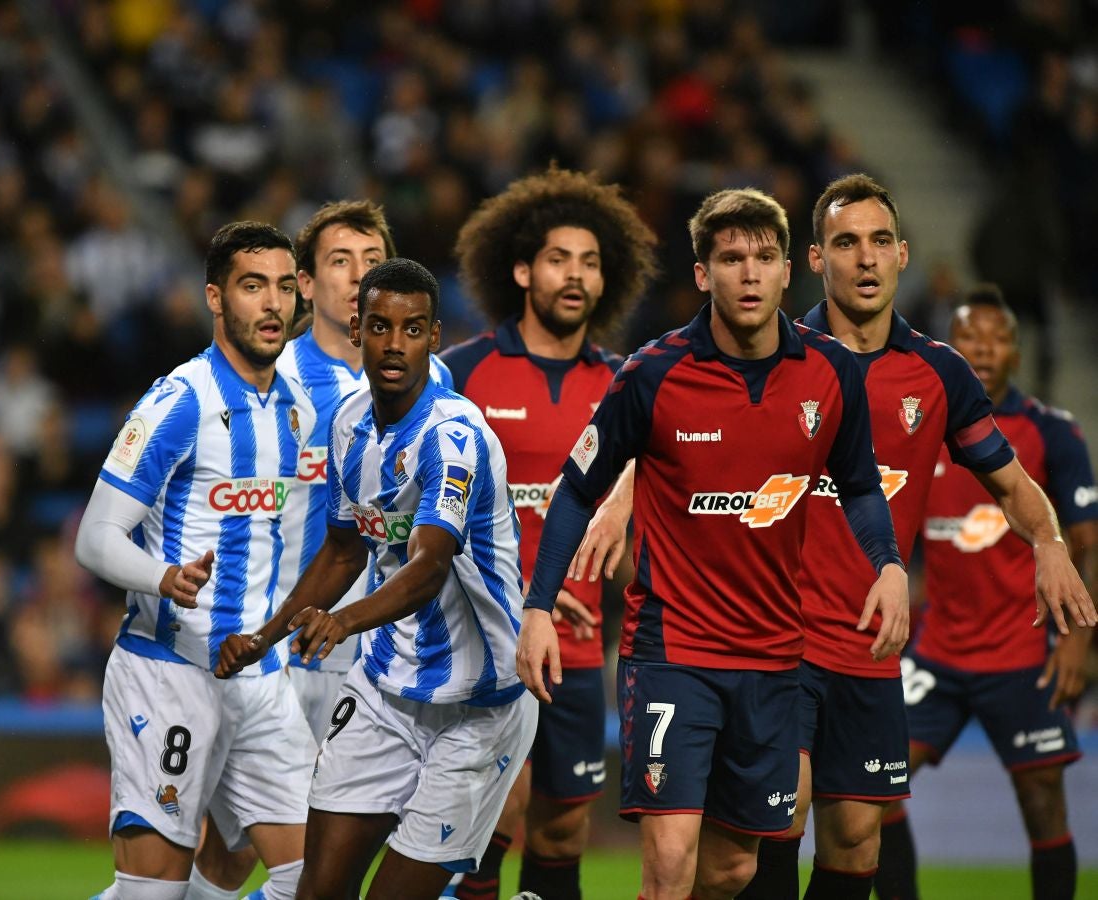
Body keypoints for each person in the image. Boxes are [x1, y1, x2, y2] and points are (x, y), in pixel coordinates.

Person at [518, 187, 909, 900]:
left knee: (730, 869)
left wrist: (887, 566)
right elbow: (577, 488)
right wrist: (540, 605)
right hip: (672, 654)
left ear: (789, 270)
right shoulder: (652, 373)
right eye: (731, 259)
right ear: (703, 274)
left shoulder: (831, 374)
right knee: (669, 863)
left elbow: (859, 486)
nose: (750, 274)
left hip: (771, 658)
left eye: (764, 258)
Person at [732, 175, 1096, 900]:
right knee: (777, 823)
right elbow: (677, 427)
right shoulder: (768, 357)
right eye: (845, 243)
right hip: (779, 644)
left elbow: (1013, 483)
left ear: (902, 255)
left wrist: (1050, 546)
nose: (864, 259)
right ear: (815, 260)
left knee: (857, 840)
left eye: (877, 243)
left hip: (872, 651)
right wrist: (622, 497)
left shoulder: (938, 371)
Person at [215, 257, 538, 900]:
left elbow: (428, 566)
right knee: (317, 890)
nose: (395, 345)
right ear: (357, 328)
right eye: (382, 327)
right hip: (386, 691)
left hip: (480, 707)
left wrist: (341, 623)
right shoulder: (348, 425)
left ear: (435, 337)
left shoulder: (454, 437)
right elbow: (342, 550)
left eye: (413, 329)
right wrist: (267, 635)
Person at [194, 200, 456, 899]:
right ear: (306, 284)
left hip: (377, 654)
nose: (358, 276)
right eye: (340, 262)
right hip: (283, 650)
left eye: (372, 262)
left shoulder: (432, 383)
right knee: (232, 858)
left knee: (331, 860)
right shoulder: (271, 375)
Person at [75, 221, 315, 900]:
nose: (271, 304)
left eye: (281, 286)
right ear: (215, 298)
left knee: (313, 879)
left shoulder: (294, 413)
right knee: (154, 891)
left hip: (260, 681)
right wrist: (163, 579)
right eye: (250, 286)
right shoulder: (179, 402)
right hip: (169, 672)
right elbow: (95, 537)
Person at [440, 166, 658, 900]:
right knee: (493, 819)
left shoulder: (629, 384)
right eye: (560, 259)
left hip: (579, 648)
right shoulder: (462, 375)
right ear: (522, 270)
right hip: (479, 644)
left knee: (564, 828)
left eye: (591, 262)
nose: (576, 276)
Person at [874, 286, 1097, 900]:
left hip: (1022, 656)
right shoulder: (920, 428)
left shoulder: (1051, 432)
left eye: (998, 339)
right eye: (971, 337)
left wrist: (1076, 642)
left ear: (1016, 354)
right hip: (938, 653)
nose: (984, 349)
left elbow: (1085, 540)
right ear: (951, 346)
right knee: (878, 788)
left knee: (1042, 800)